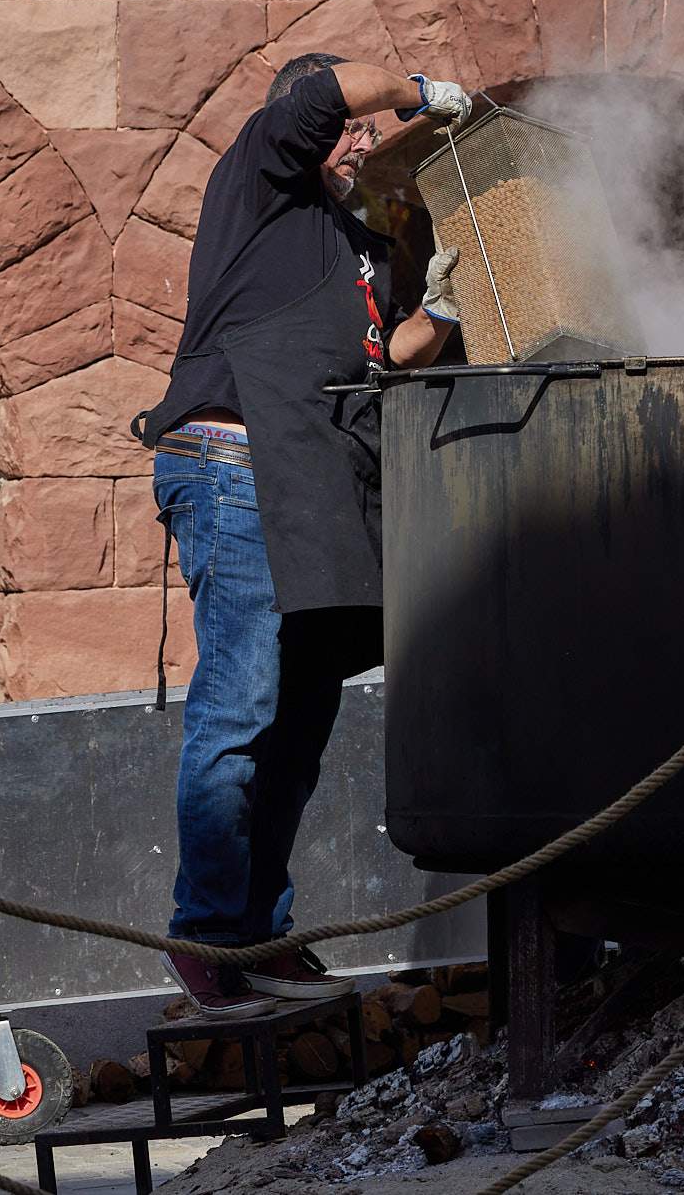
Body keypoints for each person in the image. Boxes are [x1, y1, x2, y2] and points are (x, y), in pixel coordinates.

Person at [131, 55, 470, 1017]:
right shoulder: (262, 176)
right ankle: (205, 936)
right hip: (237, 467)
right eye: (350, 128)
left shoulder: (357, 244)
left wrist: (439, 310)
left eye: (371, 133)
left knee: (297, 727)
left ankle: (260, 933)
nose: (362, 141)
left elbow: (387, 357)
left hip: (320, 490)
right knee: (240, 706)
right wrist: (413, 88)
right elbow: (327, 95)